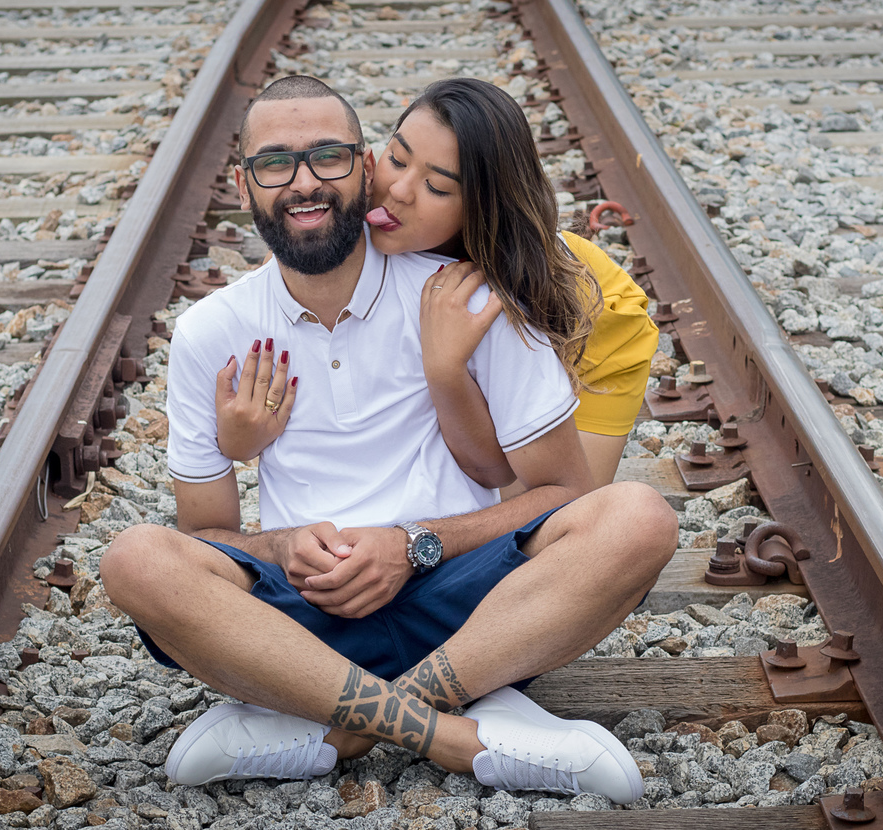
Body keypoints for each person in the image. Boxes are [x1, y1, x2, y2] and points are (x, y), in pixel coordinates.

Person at [100, 76, 677, 799]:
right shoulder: (211, 333)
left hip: (468, 611)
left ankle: (338, 728)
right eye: (276, 164)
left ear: (363, 165)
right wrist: (283, 544)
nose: (304, 183)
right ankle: (458, 733)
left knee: (638, 517)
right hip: (303, 619)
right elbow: (206, 537)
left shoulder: (464, 295)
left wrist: (411, 544)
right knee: (136, 560)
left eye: (328, 157)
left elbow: (561, 493)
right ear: (244, 186)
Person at [216, 78, 659, 491]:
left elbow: (552, 495)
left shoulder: (507, 281)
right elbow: (293, 257)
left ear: (480, 209)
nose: (400, 191)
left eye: (437, 186)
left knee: (549, 517)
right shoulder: (359, 197)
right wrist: (239, 443)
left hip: (595, 331)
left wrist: (446, 370)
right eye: (397, 158)